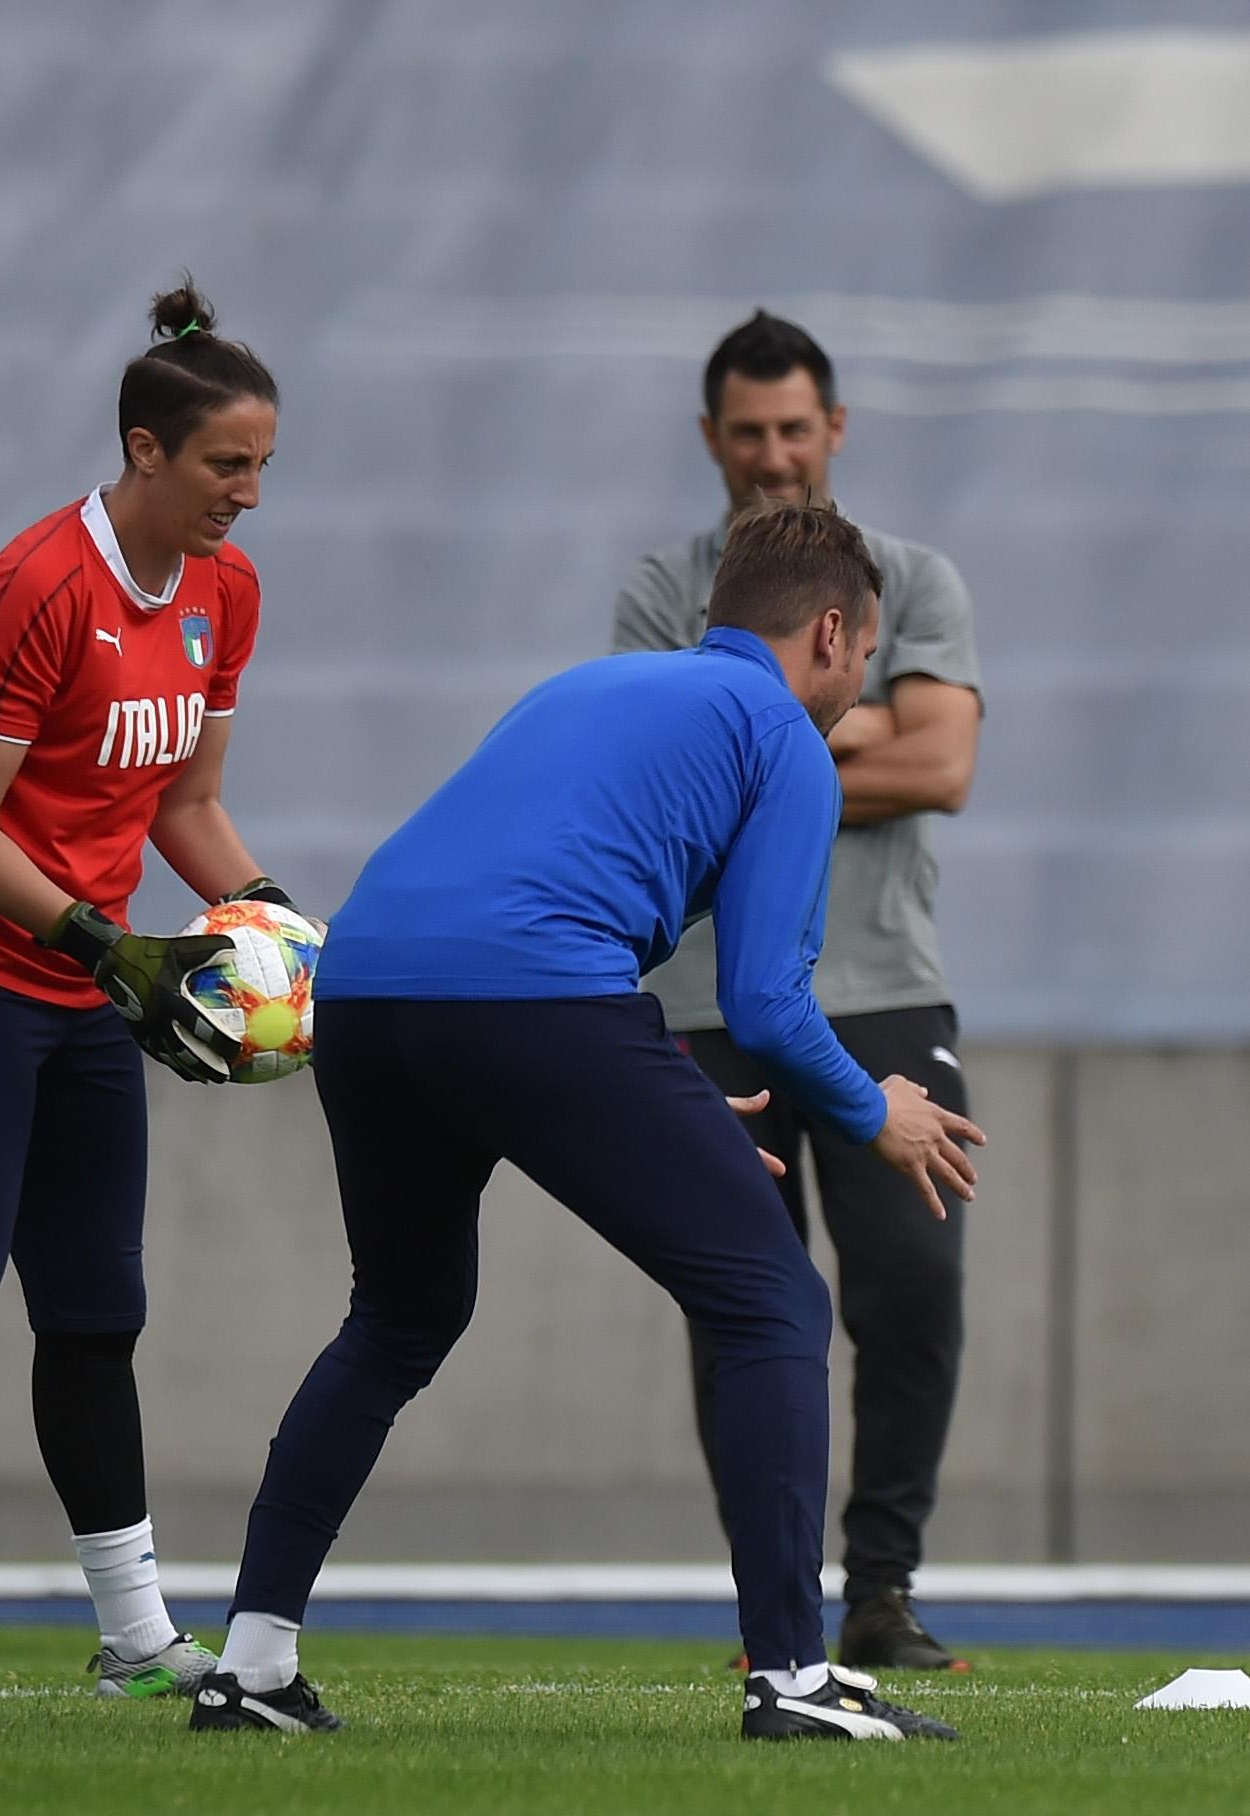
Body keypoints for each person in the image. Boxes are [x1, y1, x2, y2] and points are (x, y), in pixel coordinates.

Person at [195, 499, 985, 1741]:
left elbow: (520, 886)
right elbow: (768, 1005)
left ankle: (249, 1666)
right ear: (832, 631)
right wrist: (869, 1106)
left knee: (398, 1316)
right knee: (774, 1303)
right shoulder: (779, 733)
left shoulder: (591, 684)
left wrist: (643, 1084)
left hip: (360, 990)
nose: (857, 681)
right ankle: (792, 1678)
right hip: (534, 1005)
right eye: (865, 651)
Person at [0, 281, 295, 1704]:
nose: (249, 496)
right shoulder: (33, 585)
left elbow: (188, 800)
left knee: (98, 1311)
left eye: (264, 468)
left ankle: (136, 1637)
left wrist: (270, 917)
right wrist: (111, 949)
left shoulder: (224, 591)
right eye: (228, 465)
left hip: (89, 975)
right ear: (145, 451)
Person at [613, 311, 984, 1672]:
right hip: (713, 1002)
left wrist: (773, 751)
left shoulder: (914, 576)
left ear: (835, 430)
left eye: (793, 429)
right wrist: (854, 731)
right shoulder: (664, 585)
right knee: (746, 1300)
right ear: (712, 440)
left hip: (884, 987)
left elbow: (943, 769)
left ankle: (877, 1589)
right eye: (746, 433)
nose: (772, 457)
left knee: (911, 1285)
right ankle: (774, 1598)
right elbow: (677, 780)